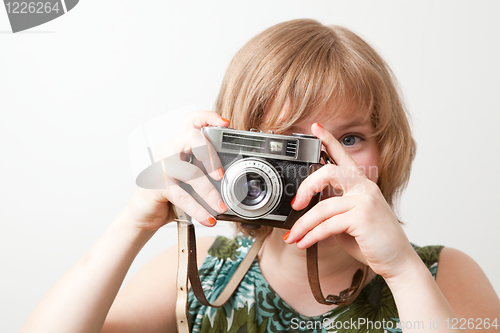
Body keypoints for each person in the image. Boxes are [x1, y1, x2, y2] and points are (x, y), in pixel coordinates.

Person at [21, 19, 500, 333]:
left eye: (349, 139)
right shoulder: (199, 273)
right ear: (238, 153)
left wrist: (400, 268)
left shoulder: (441, 273)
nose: (322, 166)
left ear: (387, 148)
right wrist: (133, 222)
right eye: (288, 145)